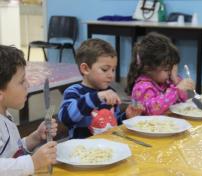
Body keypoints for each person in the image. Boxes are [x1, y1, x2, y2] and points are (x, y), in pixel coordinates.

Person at [58, 38, 143, 139]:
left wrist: (126, 117)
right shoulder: (74, 91)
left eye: (113, 70)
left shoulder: (110, 92)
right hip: (82, 150)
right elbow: (65, 118)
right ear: (85, 69)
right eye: (105, 69)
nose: (111, 75)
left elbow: (112, 124)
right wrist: (96, 97)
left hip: (107, 148)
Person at [0, 45, 57, 176]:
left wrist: (35, 137)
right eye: (21, 81)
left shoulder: (5, 115)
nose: (28, 85)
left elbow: (11, 152)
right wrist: (32, 162)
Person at [126, 32, 194, 115]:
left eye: (171, 68)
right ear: (149, 68)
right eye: (166, 69)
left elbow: (182, 100)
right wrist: (177, 91)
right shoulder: (142, 87)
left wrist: (176, 81)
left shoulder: (166, 81)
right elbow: (154, 110)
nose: (169, 73)